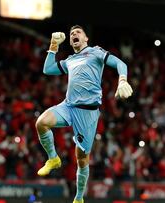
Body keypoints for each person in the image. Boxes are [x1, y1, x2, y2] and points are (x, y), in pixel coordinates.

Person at [35, 25, 133, 203]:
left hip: (87, 113)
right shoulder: (70, 60)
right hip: (68, 106)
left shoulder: (95, 52)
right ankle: (53, 159)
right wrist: (53, 46)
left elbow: (121, 63)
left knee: (81, 158)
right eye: (72, 33)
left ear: (86, 38)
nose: (74, 35)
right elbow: (47, 69)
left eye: (78, 32)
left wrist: (123, 79)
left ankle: (79, 197)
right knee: (41, 122)